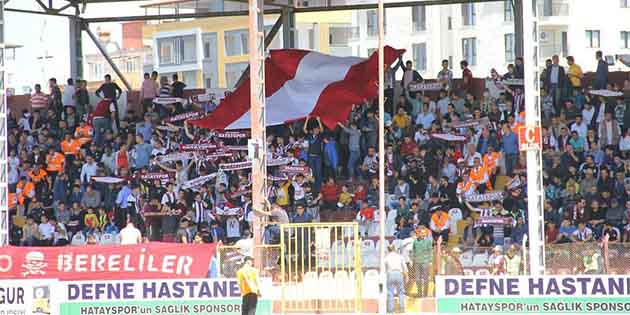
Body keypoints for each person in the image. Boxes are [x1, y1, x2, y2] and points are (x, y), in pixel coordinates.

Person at [385, 244, 407, 314]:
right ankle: (402, 309)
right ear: (394, 249)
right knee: (401, 292)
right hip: (399, 274)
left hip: (390, 274)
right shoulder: (399, 256)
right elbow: (405, 267)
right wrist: (407, 276)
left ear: (388, 249)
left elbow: (384, 268)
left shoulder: (386, 257)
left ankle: (391, 311)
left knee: (390, 292)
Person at [411, 228, 432, 297]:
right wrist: (413, 259)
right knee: (417, 278)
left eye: (424, 233)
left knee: (425, 278)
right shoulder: (415, 241)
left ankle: (425, 293)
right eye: (422, 233)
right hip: (417, 262)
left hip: (425, 262)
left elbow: (430, 251)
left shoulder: (428, 241)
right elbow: (413, 250)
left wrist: (430, 261)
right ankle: (419, 293)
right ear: (419, 234)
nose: (423, 234)